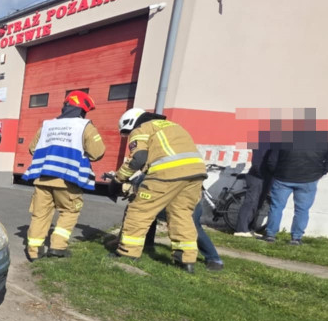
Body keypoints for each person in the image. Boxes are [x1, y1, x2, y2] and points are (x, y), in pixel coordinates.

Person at [110, 108, 206, 272]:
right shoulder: (173, 126)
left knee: (140, 211)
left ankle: (128, 253)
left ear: (130, 122)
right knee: (181, 214)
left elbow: (138, 158)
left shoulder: (142, 128)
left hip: (167, 173)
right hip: (195, 174)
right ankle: (186, 260)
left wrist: (119, 179)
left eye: (127, 132)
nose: (128, 135)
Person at [21, 90, 106, 260]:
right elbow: (98, 153)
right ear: (83, 109)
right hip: (68, 179)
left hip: (43, 178)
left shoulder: (47, 125)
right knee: (69, 211)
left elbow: (32, 148)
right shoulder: (85, 126)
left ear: (65, 106)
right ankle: (58, 247)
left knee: (40, 214)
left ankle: (34, 251)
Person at [262, 123, 328, 245]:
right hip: (309, 179)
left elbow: (272, 160)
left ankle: (270, 235)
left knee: (276, 207)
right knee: (302, 210)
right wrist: (320, 173)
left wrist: (276, 173)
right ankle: (296, 238)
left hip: (283, 177)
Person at [233, 136, 273, 237]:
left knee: (257, 204)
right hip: (258, 176)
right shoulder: (264, 139)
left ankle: (249, 228)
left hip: (264, 176)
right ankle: (241, 229)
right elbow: (258, 161)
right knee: (251, 202)